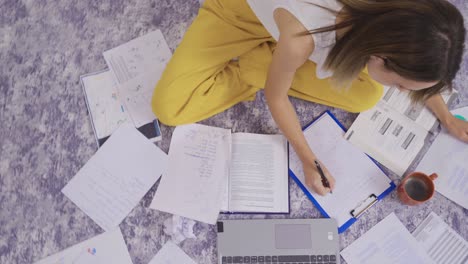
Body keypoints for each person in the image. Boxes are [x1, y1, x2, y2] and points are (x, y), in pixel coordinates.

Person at [151, 0, 468, 196]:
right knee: (170, 106)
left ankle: (273, 65)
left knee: (366, 94)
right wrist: (308, 159)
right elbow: (276, 100)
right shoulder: (303, 37)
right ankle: (256, 67)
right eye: (400, 85)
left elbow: (421, 52)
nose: (400, 92)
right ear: (380, 55)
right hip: (241, 13)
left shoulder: (403, 16)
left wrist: (446, 117)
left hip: (298, 33)